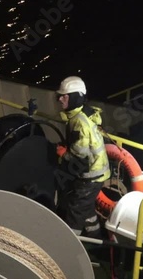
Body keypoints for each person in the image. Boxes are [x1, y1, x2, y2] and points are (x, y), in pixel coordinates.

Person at [55, 76, 111, 239]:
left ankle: (69, 245)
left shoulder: (79, 123)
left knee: (75, 210)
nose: (59, 99)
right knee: (85, 209)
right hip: (95, 172)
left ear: (74, 98)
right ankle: (96, 239)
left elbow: (80, 159)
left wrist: (62, 154)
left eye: (64, 96)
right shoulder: (79, 115)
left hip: (91, 175)